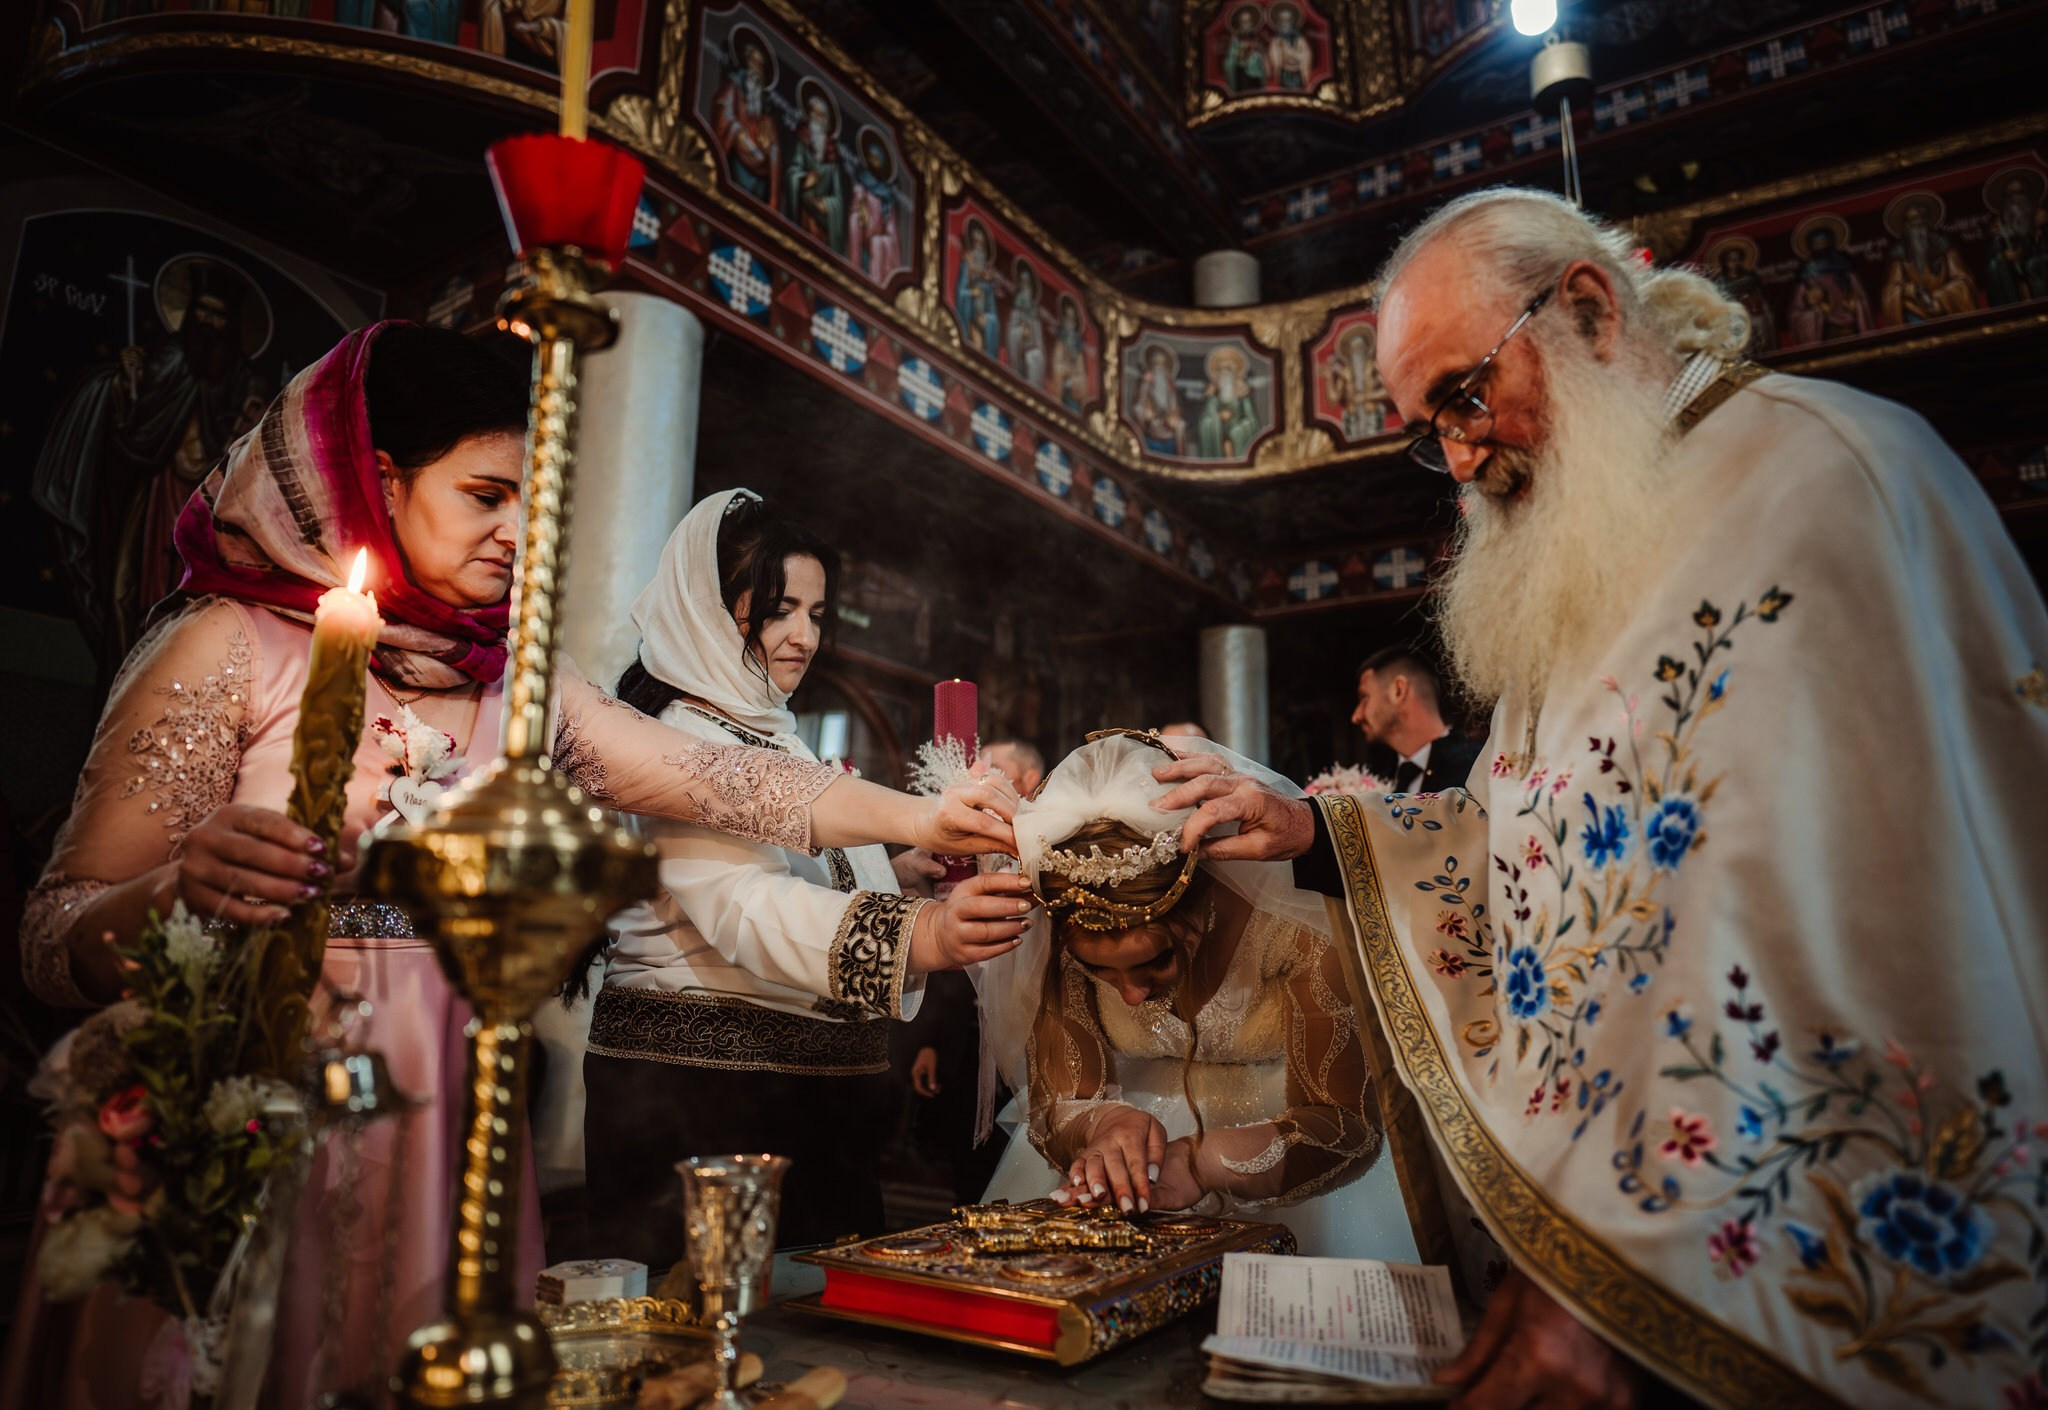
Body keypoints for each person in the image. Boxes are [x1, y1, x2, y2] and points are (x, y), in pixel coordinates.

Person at [7, 324, 1019, 1410]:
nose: (516, 533)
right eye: (486, 494)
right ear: (380, 478)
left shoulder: (519, 678)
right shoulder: (226, 643)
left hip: (452, 1097)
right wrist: (178, 893)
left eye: (534, 505)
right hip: (252, 1092)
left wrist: (927, 814)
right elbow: (54, 938)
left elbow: (714, 778)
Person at [1153, 188, 2048, 1410]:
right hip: (1593, 1245)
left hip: (1782, 1256)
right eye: (1429, 429)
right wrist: (1319, 829)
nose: (1458, 456)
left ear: (1585, 311)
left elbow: (1810, 910)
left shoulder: (1824, 476)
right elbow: (1518, 835)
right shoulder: (1583, 554)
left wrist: (1608, 1271)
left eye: (1465, 395)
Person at [582, 491, 1033, 1264]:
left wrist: (897, 876)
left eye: (817, 614)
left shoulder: (772, 736)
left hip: (805, 1094)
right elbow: (743, 904)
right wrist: (924, 933)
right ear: (708, 607)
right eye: (780, 609)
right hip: (706, 1099)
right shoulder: (676, 740)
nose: (805, 636)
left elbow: (793, 860)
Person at [974, 733, 1422, 1262]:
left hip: (1284, 1166)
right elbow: (1056, 1101)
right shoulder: (1066, 932)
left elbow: (1343, 1123)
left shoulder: (1296, 933)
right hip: (1122, 1167)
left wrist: (1200, 1164)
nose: (1132, 996)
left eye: (1156, 961)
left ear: (1201, 900)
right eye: (1099, 971)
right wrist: (1101, 1124)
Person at [901, 737, 1045, 1201]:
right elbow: (946, 960)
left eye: (994, 769)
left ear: (1028, 780)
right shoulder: (960, 854)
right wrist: (928, 1041)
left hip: (1033, 1033)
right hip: (962, 1034)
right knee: (966, 1161)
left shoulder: (1046, 844)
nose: (981, 779)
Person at [1350, 646, 1480, 795]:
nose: (1356, 717)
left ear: (1398, 691)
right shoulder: (1381, 776)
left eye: (1364, 698)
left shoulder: (1474, 768)